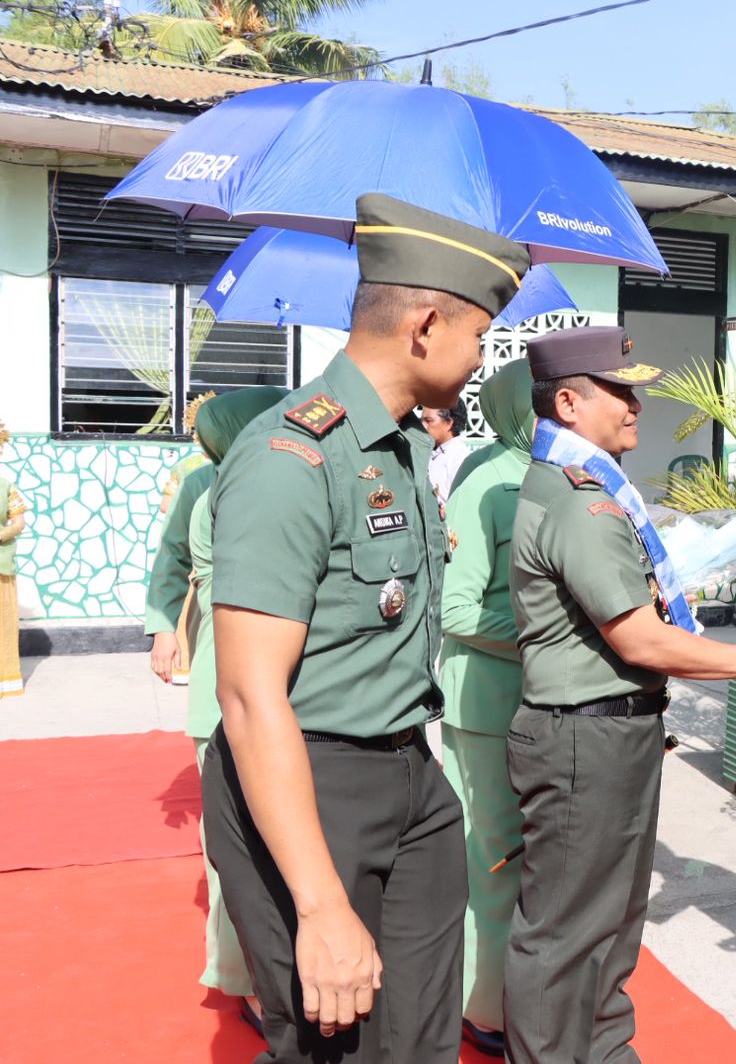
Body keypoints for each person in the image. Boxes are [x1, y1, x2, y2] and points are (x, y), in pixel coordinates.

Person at [201, 192, 531, 1064]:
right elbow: (246, 692)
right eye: (479, 336)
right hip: (306, 778)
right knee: (330, 1044)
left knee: (418, 1042)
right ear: (426, 324)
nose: (481, 360)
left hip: (409, 773)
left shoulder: (401, 449)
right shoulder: (290, 458)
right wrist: (317, 904)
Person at [504, 326, 736, 1064]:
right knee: (566, 932)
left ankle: (604, 1051)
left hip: (611, 732)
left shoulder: (594, 488)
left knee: (611, 920)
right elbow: (640, 641)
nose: (637, 403)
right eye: (620, 390)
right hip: (584, 738)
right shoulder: (581, 501)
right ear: (568, 402)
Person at [437, 359, 534, 1057]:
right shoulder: (485, 479)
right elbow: (459, 607)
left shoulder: (562, 474)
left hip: (549, 706)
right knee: (494, 864)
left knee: (533, 865)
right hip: (486, 702)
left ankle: (520, 994)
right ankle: (484, 1008)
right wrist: (545, 642)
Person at [183, 386, 286, 1032]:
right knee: (237, 850)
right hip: (231, 689)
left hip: (241, 685)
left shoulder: (231, 486)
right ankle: (244, 979)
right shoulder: (227, 492)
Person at [147, 391, 218, 686]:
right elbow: (167, 506)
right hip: (195, 553)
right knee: (191, 611)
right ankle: (185, 666)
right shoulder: (189, 470)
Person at [0, 420, 26, 699]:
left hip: (1, 562)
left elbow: (19, 522)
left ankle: (5, 679)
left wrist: (2, 534)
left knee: (3, 622)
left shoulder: (5, 485)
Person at [424, 399, 471, 502]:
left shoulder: (460, 457)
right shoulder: (428, 451)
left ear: (448, 423)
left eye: (429, 421)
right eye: (422, 421)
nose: (423, 426)